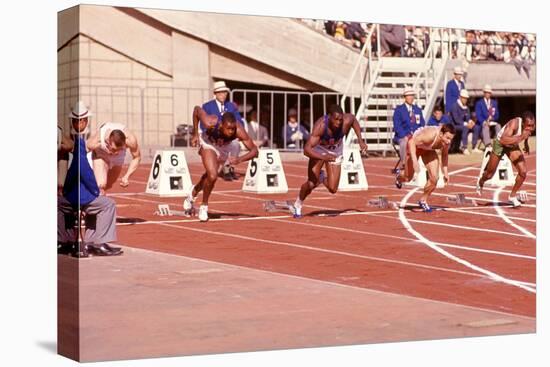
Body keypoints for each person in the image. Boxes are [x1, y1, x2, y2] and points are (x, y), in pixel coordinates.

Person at [291, 104, 368, 218]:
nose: (338, 123)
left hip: (335, 150)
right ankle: (298, 204)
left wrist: (361, 141)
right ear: (329, 117)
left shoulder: (346, 121)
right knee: (311, 183)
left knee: (333, 189)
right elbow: (306, 150)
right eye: (335, 119)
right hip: (319, 150)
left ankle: (321, 177)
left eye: (340, 120)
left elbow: (353, 120)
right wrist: (323, 157)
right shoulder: (321, 126)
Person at [184, 107, 259, 222]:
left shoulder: (238, 130)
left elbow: (255, 151)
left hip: (224, 148)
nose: (231, 132)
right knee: (213, 175)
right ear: (221, 125)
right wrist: (195, 133)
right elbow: (196, 110)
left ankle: (193, 191)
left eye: (233, 129)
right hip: (208, 143)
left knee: (210, 176)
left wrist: (239, 159)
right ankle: (204, 206)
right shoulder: (210, 122)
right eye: (228, 128)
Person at [58, 133, 122, 256]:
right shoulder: (81, 150)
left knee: (95, 202)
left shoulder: (76, 149)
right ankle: (99, 243)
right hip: (78, 197)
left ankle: (78, 242)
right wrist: (96, 192)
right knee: (108, 204)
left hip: (75, 195)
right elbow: (84, 175)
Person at [477, 112, 536, 207]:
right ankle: (481, 181)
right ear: (523, 123)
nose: (530, 128)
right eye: (528, 125)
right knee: (489, 174)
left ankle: (512, 196)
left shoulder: (530, 126)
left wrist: (526, 143)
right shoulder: (514, 124)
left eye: (532, 125)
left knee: (523, 172)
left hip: (512, 146)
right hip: (500, 144)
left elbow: (527, 133)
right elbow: (503, 140)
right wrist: (521, 137)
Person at [396, 124, 456, 212]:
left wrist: (446, 172)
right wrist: (415, 161)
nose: (449, 141)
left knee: (435, 178)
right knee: (408, 177)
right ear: (441, 134)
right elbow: (411, 142)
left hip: (428, 150)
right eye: (447, 138)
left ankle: (423, 200)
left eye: (451, 139)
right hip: (414, 147)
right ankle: (399, 177)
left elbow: (444, 155)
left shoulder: (446, 142)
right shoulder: (430, 135)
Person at [198, 81, 245, 181]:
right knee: (212, 170)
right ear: (215, 94)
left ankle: (228, 168)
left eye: (224, 92)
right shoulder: (207, 106)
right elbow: (203, 125)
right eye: (220, 92)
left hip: (228, 137)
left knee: (236, 145)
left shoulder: (231, 106)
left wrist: (233, 134)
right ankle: (218, 167)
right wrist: (214, 136)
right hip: (212, 138)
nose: (222, 95)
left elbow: (239, 121)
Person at [86, 122, 141, 194]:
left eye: (120, 149)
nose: (116, 152)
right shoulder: (98, 140)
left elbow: (137, 157)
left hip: (118, 158)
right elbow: (83, 150)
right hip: (101, 154)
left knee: (108, 185)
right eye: (114, 149)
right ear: (108, 141)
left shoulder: (131, 140)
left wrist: (127, 176)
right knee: (101, 185)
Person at [393, 87, 425, 173]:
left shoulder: (417, 109)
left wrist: (418, 133)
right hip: (403, 135)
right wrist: (405, 135)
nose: (411, 97)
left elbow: (422, 123)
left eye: (412, 95)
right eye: (408, 95)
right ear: (405, 97)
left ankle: (424, 163)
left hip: (416, 135)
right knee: (404, 141)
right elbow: (397, 126)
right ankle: (403, 163)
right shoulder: (398, 110)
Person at [449, 89, 477, 154]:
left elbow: (468, 117)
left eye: (466, 98)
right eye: (464, 98)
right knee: (465, 128)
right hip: (454, 126)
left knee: (476, 127)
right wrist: (466, 124)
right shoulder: (454, 106)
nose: (465, 100)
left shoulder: (466, 107)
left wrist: (471, 122)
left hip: (463, 124)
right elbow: (456, 120)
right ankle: (464, 147)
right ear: (460, 97)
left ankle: (474, 147)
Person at [475, 84, 501, 149]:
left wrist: (493, 118)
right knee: (486, 126)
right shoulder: (479, 103)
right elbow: (478, 115)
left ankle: (498, 143)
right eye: (486, 92)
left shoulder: (494, 102)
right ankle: (488, 145)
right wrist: (484, 121)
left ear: (490, 93)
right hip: (483, 122)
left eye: (489, 93)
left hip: (492, 122)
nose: (487, 94)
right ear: (484, 93)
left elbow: (497, 114)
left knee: (498, 126)